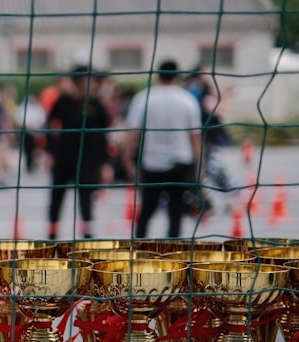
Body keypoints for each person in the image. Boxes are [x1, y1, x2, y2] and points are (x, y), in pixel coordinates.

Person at [124, 60, 202, 238]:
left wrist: (127, 161)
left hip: (152, 164)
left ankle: (139, 251)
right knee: (176, 215)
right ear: (177, 76)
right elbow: (195, 138)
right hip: (181, 164)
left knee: (146, 213)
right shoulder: (188, 100)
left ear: (157, 75)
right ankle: (173, 256)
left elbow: (132, 135)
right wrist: (199, 168)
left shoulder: (144, 98)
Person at [45, 66, 111, 240]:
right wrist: (49, 152)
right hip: (64, 158)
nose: (93, 85)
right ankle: (52, 235)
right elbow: (49, 125)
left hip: (88, 161)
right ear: (77, 83)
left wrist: (105, 163)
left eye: (95, 81)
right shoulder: (63, 102)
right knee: (56, 197)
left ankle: (88, 238)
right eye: (88, 81)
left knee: (86, 200)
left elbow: (104, 136)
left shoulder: (97, 105)